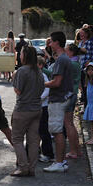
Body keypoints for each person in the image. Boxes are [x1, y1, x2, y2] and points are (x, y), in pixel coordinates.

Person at [11, 45, 44, 177]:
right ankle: (31, 168)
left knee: (17, 139)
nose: (20, 55)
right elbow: (41, 90)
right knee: (33, 140)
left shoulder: (22, 71)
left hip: (23, 109)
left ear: (25, 56)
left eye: (21, 53)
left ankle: (23, 167)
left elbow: (18, 91)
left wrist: (14, 79)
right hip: (36, 109)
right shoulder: (39, 72)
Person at [43, 32, 73, 173]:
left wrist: (42, 84)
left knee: (57, 131)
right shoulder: (64, 58)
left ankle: (59, 162)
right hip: (62, 98)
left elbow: (57, 82)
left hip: (58, 99)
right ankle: (61, 161)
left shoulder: (61, 60)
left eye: (51, 42)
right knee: (58, 131)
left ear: (57, 43)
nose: (49, 45)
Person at [65, 43, 82, 158]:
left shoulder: (72, 64)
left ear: (71, 52)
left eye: (66, 50)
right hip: (73, 93)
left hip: (69, 94)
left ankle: (73, 151)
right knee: (70, 124)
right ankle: (77, 150)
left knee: (68, 124)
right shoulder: (75, 63)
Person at [37, 56, 54, 163]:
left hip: (43, 106)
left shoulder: (43, 76)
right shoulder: (36, 75)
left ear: (40, 65)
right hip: (36, 106)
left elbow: (47, 90)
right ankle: (34, 152)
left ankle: (48, 154)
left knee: (43, 131)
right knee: (35, 131)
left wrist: (38, 98)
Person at [78, 27, 93, 105]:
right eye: (80, 33)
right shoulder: (80, 43)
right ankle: (86, 106)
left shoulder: (89, 43)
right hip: (81, 68)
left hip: (87, 69)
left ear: (86, 34)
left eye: (82, 33)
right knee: (83, 88)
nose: (80, 34)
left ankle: (88, 106)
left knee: (87, 88)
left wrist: (88, 63)